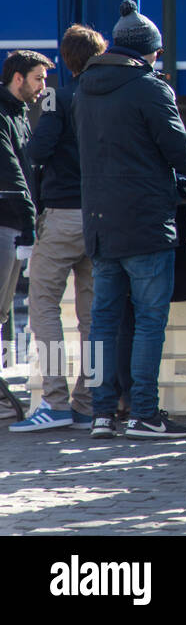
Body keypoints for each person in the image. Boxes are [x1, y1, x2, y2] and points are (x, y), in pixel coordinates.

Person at [78, 1, 186, 441]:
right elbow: (180, 148)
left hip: (100, 221)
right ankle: (144, 412)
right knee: (148, 319)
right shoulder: (148, 87)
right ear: (147, 51)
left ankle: (103, 413)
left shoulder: (86, 86)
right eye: (158, 53)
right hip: (146, 219)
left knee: (104, 320)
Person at [9, 28, 104, 432]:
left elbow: (39, 150)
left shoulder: (57, 98)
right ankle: (89, 403)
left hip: (64, 212)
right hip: (104, 216)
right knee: (95, 316)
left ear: (66, 60)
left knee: (43, 306)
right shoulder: (112, 97)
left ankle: (56, 402)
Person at [0, 50, 53, 406]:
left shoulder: (20, 114)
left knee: (3, 311)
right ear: (17, 78)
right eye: (38, 79)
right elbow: (11, 170)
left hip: (16, 221)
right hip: (7, 220)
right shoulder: (4, 115)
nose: (43, 87)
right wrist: (31, 215)